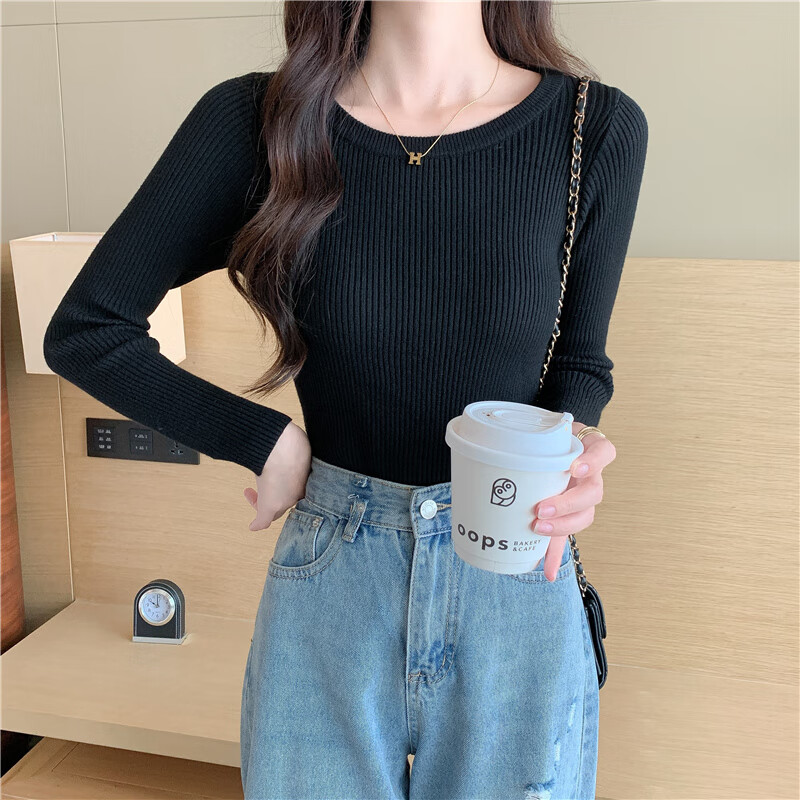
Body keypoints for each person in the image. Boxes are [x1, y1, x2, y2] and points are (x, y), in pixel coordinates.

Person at [43, 1, 648, 797]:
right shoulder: (255, 124)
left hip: (514, 566)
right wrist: (264, 441)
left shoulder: (593, 128)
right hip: (334, 570)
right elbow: (87, 329)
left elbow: (578, 364)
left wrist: (573, 452)